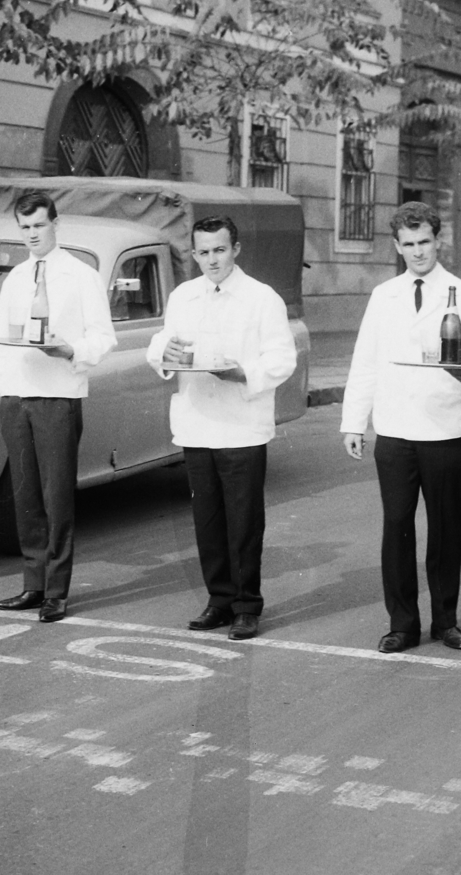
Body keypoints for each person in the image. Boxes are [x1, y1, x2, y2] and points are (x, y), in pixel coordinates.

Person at [341, 201, 461, 654]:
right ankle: (403, 624)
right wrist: (354, 421)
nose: (417, 252)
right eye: (408, 245)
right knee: (396, 526)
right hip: (394, 430)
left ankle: (446, 621)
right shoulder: (383, 295)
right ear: (397, 246)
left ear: (439, 241)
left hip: (447, 428)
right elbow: (365, 362)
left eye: (425, 242)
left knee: (445, 528)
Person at [146, 215, 298, 641]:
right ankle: (219, 600)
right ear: (193, 254)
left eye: (219, 250)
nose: (211, 260)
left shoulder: (262, 298)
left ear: (236, 249)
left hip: (241, 427)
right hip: (197, 424)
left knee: (244, 521)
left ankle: (247, 606)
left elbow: (282, 359)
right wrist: (165, 349)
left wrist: (241, 373)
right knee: (207, 520)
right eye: (203, 252)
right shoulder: (183, 295)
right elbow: (162, 344)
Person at [0, 190, 116, 622]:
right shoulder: (16, 278)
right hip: (17, 396)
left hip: (58, 395)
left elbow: (103, 337)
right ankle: (32, 584)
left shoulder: (81, 276)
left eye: (39, 225)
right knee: (25, 497)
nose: (33, 234)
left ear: (56, 224)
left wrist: (69, 350)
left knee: (57, 498)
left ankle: (57, 590)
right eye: (25, 227)